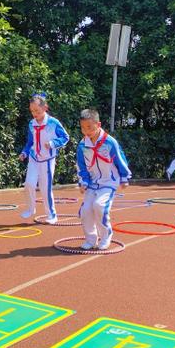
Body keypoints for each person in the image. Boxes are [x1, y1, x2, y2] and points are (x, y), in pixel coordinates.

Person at [76, 109, 131, 250]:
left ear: (98, 124)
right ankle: (90, 239)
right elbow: (81, 166)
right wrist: (83, 182)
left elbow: (120, 159)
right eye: (83, 128)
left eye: (89, 127)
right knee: (86, 210)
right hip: (92, 183)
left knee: (99, 206)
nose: (86, 131)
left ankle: (106, 236)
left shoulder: (110, 142)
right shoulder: (82, 145)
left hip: (108, 181)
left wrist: (124, 177)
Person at [19, 93, 70, 224]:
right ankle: (31, 209)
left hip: (47, 160)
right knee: (29, 184)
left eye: (36, 110)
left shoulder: (53, 122)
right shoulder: (31, 124)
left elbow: (65, 137)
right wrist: (24, 153)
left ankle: (52, 215)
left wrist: (53, 143)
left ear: (45, 108)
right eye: (32, 111)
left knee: (45, 188)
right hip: (34, 158)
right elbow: (30, 142)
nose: (34, 113)